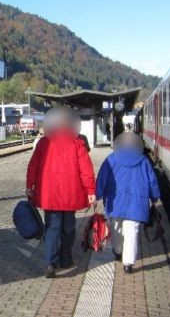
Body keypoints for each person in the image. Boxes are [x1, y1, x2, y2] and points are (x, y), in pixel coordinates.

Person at [26, 106, 96, 278]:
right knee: (69, 228)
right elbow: (86, 170)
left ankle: (50, 262)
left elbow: (32, 167)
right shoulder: (77, 143)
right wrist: (91, 191)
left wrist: (30, 186)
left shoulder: (44, 143)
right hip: (70, 194)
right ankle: (66, 259)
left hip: (49, 194)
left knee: (52, 228)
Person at [95, 132, 161, 273]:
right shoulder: (143, 161)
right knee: (132, 230)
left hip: (115, 201)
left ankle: (118, 250)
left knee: (116, 227)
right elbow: (152, 181)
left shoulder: (111, 159)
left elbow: (102, 179)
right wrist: (154, 197)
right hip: (136, 203)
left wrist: (97, 194)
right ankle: (128, 263)